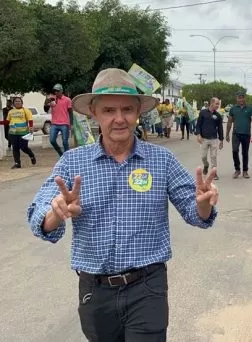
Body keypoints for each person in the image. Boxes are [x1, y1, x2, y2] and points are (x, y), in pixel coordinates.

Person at [26, 68, 219, 342]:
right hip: (95, 291)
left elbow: (196, 212)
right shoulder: (72, 162)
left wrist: (203, 203)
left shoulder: (161, 160)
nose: (119, 119)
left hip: (147, 287)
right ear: (93, 112)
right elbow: (39, 211)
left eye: (127, 109)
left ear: (138, 111)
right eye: (108, 110)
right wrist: (55, 214)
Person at [226, 91, 252, 179]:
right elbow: (229, 122)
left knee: (245, 153)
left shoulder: (250, 109)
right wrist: (227, 134)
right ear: (236, 99)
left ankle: (245, 171)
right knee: (235, 151)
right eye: (239, 98)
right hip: (236, 134)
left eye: (242, 97)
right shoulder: (233, 109)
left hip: (246, 134)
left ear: (244, 98)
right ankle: (237, 170)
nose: (241, 99)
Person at [2, 97, 36, 169]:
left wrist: (31, 127)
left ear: (22, 102)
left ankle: (32, 156)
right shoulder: (10, 112)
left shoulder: (26, 110)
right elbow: (7, 122)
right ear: (13, 103)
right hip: (12, 133)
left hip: (23, 132)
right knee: (15, 148)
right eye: (16, 101)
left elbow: (30, 120)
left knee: (24, 147)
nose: (17, 102)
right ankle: (17, 163)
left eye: (19, 101)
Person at [195, 97, 224, 180]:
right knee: (203, 157)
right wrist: (198, 135)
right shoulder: (203, 112)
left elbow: (220, 128)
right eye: (217, 104)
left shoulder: (218, 115)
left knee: (213, 156)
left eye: (218, 104)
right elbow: (198, 125)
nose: (218, 105)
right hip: (204, 138)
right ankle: (206, 165)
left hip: (214, 139)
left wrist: (221, 140)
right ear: (212, 103)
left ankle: (214, 173)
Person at [45, 84, 73, 156]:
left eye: (58, 91)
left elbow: (70, 112)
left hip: (64, 123)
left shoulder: (67, 100)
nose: (56, 92)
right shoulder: (52, 99)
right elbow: (46, 109)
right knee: (52, 140)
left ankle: (67, 156)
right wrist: (46, 102)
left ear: (61, 91)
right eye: (55, 91)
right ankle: (61, 154)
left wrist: (71, 124)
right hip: (54, 123)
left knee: (65, 141)